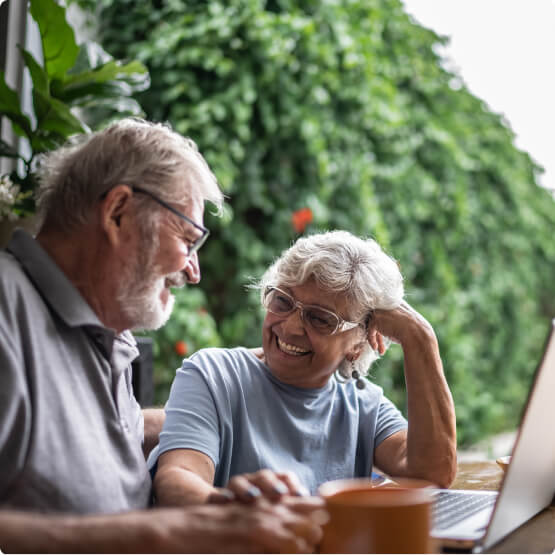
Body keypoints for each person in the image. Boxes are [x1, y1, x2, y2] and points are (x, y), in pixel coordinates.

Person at [0, 118, 324, 553]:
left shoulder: (105, 332)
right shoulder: (8, 311)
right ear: (118, 213)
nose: (193, 271)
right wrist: (165, 532)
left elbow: (103, 434)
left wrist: (227, 504)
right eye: (187, 240)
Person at [149, 230, 458, 506]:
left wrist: (420, 338)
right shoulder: (215, 375)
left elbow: (431, 473)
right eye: (283, 302)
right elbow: (177, 482)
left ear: (357, 344)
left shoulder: (364, 405)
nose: (292, 327)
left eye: (320, 318)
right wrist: (238, 511)